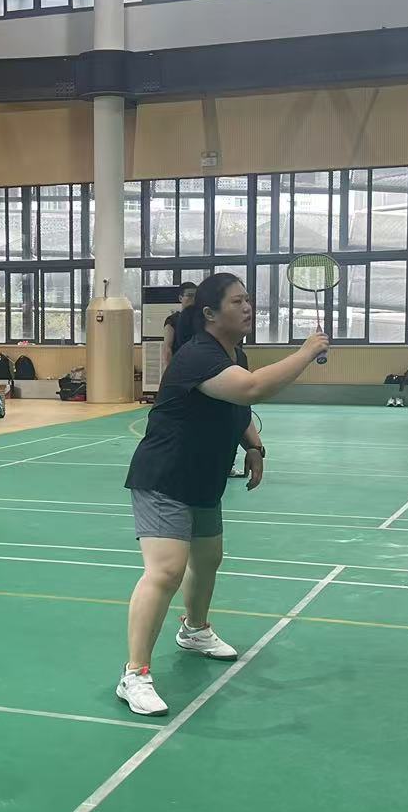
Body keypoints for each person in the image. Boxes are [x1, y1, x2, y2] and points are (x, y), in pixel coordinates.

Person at [117, 273, 328, 716]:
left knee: (208, 559)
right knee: (166, 571)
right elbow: (252, 389)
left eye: (249, 300)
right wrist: (306, 352)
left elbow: (238, 405)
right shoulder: (198, 356)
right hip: (165, 476)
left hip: (203, 476)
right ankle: (134, 673)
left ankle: (194, 630)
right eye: (237, 301)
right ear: (210, 313)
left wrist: (253, 446)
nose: (248, 307)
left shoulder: (235, 354)